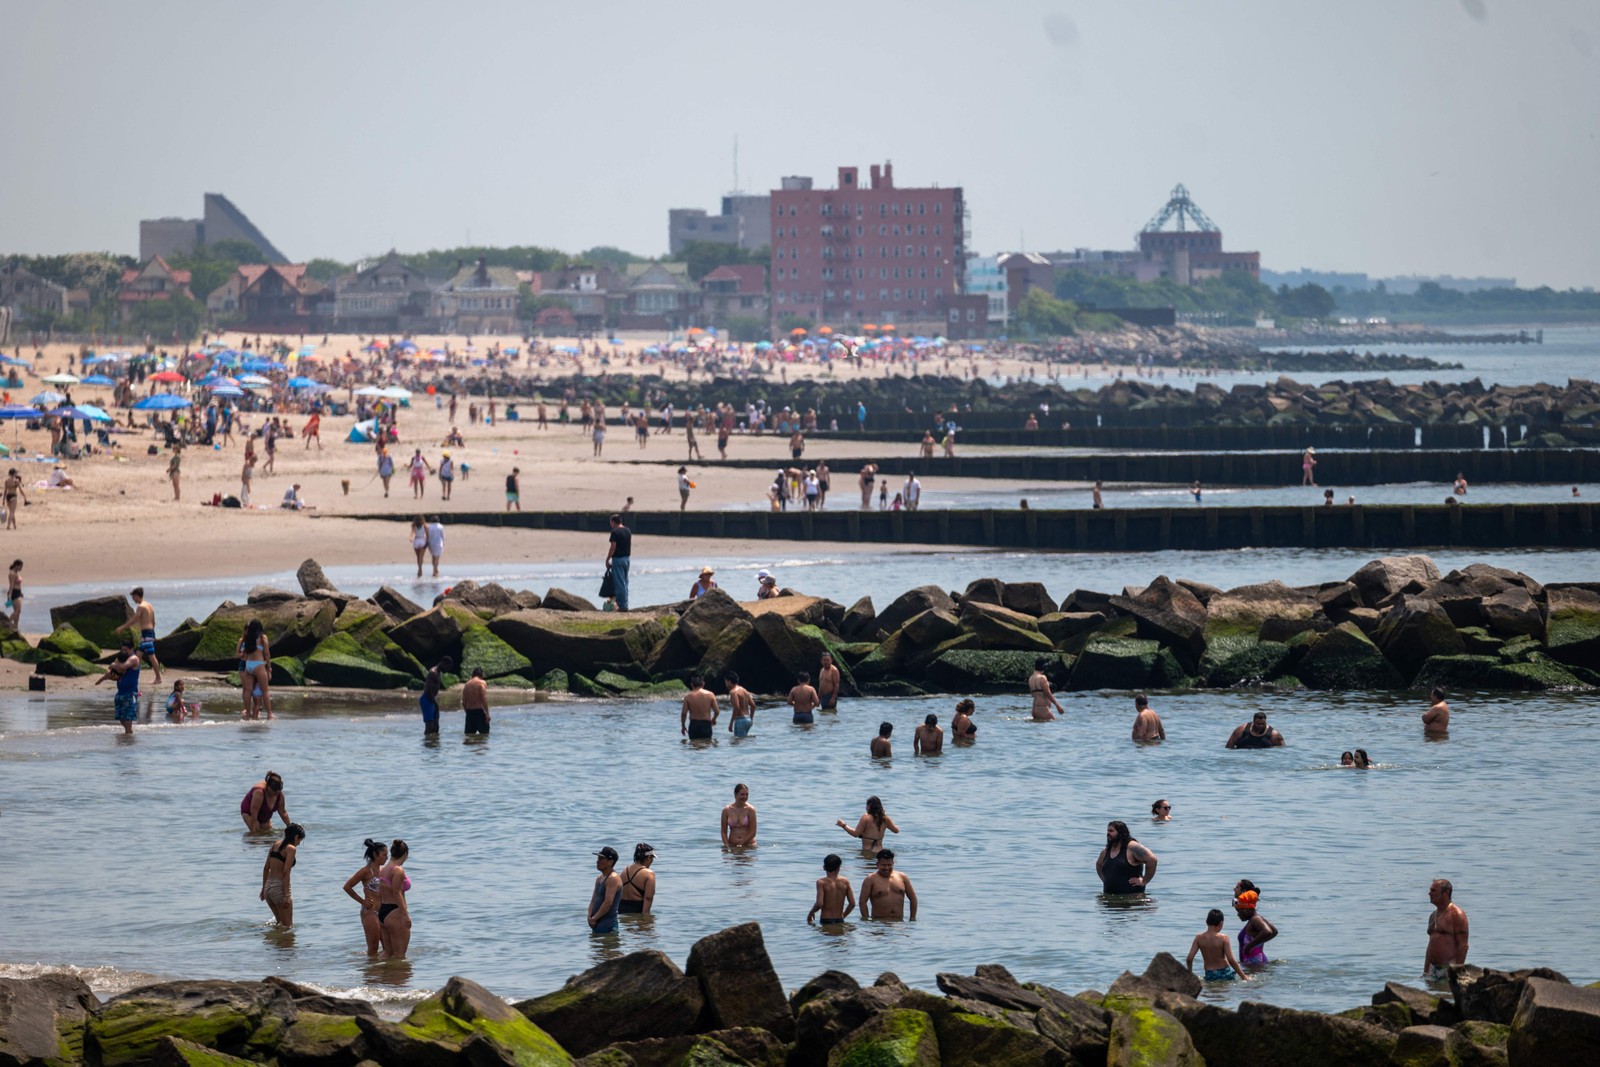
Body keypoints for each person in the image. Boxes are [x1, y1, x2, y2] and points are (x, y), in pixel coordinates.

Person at [342, 838, 389, 956]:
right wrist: (362, 901)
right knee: (373, 948)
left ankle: (385, 973)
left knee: (388, 948)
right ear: (375, 854)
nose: (387, 857)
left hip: (383, 912)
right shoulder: (366, 871)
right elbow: (347, 887)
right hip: (370, 912)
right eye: (384, 855)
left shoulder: (383, 871)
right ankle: (370, 973)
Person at [1187, 909, 1252, 982]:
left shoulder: (1198, 938)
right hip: (1225, 972)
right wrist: (1244, 976)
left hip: (1209, 974)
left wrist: (1190, 974)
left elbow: (1189, 958)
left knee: (1212, 991)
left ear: (1206, 922)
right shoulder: (1224, 938)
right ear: (1221, 924)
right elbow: (1231, 960)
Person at [114, 587, 163, 685]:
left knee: (151, 656)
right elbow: (153, 621)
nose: (133, 599)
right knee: (137, 656)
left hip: (146, 634)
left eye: (133, 597)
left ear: (137, 595)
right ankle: (132, 675)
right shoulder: (150, 605)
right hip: (149, 632)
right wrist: (152, 633)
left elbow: (134, 620)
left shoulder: (141, 607)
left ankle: (158, 678)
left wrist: (122, 628)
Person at [1423, 878, 1469, 980]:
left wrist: (1457, 973)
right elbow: (1430, 945)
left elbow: (1463, 946)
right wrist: (1425, 972)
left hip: (1449, 969)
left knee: (1446, 995)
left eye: (1433, 890)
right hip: (1433, 970)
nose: (1429, 893)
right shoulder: (1433, 915)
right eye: (1430, 890)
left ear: (1446, 892)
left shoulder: (1457, 914)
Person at [260, 823, 305, 926]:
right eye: (299, 841)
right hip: (279, 889)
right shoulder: (291, 849)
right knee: (288, 927)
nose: (298, 844)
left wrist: (263, 889)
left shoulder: (275, 844)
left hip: (268, 889)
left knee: (279, 924)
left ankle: (277, 941)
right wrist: (287, 895)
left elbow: (266, 868)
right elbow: (285, 872)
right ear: (296, 837)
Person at [95, 638, 142, 735]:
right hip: (120, 692)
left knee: (128, 716)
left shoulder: (134, 658)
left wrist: (113, 664)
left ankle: (128, 734)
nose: (123, 652)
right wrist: (104, 677)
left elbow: (121, 667)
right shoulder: (121, 658)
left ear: (131, 649)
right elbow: (111, 669)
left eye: (126, 650)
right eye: (122, 650)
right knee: (120, 717)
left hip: (130, 692)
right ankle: (129, 733)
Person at [1096, 821, 1158, 895]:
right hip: (1110, 900)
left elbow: (1152, 859)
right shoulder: (1106, 851)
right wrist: (1105, 880)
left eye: (1111, 831)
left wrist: (1144, 881)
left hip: (1132, 900)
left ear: (1121, 833)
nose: (1108, 833)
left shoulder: (1132, 847)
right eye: (1108, 831)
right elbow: (1098, 865)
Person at [860, 849, 917, 921]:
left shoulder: (902, 877)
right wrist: (866, 920)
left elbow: (913, 899)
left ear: (893, 863)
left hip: (898, 923)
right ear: (877, 864)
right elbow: (862, 902)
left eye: (889, 865)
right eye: (883, 865)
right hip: (878, 923)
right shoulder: (870, 879)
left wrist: (912, 918)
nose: (886, 868)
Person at [377, 839, 412, 956]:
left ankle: (381, 974)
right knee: (399, 955)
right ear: (405, 854)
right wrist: (405, 914)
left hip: (383, 912)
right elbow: (397, 893)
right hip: (395, 912)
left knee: (387, 953)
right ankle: (397, 974)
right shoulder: (397, 870)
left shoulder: (382, 869)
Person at [1233, 882, 1279, 968]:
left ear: (1246, 909)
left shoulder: (1255, 919)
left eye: (1240, 911)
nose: (1238, 914)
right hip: (1254, 963)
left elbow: (1269, 932)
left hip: (1256, 964)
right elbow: (1274, 931)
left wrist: (1249, 946)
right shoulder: (1255, 918)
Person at [235, 618, 272, 720]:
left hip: (248, 665)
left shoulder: (248, 639)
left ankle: (247, 712)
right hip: (259, 665)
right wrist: (269, 667)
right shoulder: (263, 638)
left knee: (248, 691)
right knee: (265, 691)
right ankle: (269, 714)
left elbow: (245, 654)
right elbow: (267, 654)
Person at [808, 854, 857, 926]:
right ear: (839, 868)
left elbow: (819, 903)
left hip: (826, 920)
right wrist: (843, 916)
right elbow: (852, 904)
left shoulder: (821, 882)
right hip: (840, 920)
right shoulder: (845, 881)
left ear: (824, 867)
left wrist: (811, 913)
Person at [618, 843, 657, 915]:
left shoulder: (625, 870)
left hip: (621, 909)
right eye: (652, 858)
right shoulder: (649, 873)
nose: (652, 861)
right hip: (637, 909)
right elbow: (648, 898)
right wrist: (646, 917)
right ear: (648, 858)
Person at [680, 674, 720, 740]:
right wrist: (713, 719)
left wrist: (683, 726)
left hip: (694, 724)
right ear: (703, 684)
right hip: (706, 724)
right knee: (706, 745)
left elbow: (684, 713)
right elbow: (717, 711)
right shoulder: (710, 695)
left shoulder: (688, 697)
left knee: (693, 746)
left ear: (692, 684)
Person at [606, 514, 631, 611]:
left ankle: (622, 606)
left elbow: (613, 547)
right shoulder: (627, 530)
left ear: (613, 522)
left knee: (619, 584)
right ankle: (625, 604)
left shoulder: (615, 532)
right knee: (625, 583)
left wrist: (608, 559)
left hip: (618, 559)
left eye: (611, 522)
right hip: (627, 559)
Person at [421, 657, 452, 736]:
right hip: (427, 699)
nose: (447, 670)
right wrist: (435, 703)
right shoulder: (433, 672)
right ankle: (427, 745)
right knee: (429, 727)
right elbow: (428, 690)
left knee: (436, 727)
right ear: (443, 663)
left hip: (432, 699)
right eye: (447, 667)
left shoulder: (439, 673)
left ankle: (434, 745)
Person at [721, 783, 757, 848]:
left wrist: (740, 844)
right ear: (735, 794)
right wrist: (727, 845)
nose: (745, 797)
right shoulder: (726, 810)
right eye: (742, 794)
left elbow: (753, 832)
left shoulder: (750, 810)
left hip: (748, 846)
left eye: (747, 795)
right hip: (732, 845)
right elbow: (723, 832)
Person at [725, 670, 755, 737]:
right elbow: (753, 705)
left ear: (729, 681)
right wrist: (751, 719)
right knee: (744, 743)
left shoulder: (733, 692)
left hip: (740, 720)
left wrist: (731, 723)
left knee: (738, 744)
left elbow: (736, 708)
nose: (725, 684)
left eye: (726, 681)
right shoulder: (744, 690)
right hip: (748, 719)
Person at [462, 667, 490, 735]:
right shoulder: (481, 683)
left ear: (473, 675)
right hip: (479, 712)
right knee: (484, 736)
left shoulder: (467, 684)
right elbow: (483, 698)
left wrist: (467, 713)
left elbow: (464, 702)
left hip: (469, 713)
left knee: (469, 737)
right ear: (481, 675)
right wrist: (487, 714)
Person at [6, 559, 21, 629]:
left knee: (18, 612)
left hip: (19, 593)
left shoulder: (17, 573)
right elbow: (11, 585)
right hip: (14, 593)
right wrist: (9, 596)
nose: (21, 568)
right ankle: (7, 623)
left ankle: (15, 627)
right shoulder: (12, 573)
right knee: (17, 611)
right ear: (16, 565)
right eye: (20, 566)